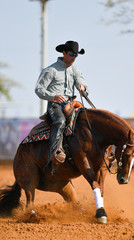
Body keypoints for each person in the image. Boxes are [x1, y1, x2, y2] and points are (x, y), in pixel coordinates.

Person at [35, 40, 89, 170]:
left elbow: (80, 80)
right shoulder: (50, 70)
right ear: (63, 52)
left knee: (87, 119)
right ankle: (55, 153)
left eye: (76, 55)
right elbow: (39, 89)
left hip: (71, 103)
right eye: (71, 54)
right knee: (60, 121)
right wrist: (53, 96)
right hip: (55, 105)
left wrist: (82, 87)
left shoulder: (74, 69)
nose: (74, 58)